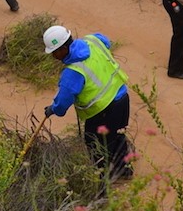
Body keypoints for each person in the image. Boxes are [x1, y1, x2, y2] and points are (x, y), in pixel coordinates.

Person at [43, 25, 133, 181]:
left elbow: (63, 103)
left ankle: (101, 182)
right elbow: (106, 42)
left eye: (53, 53)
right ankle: (124, 169)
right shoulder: (93, 40)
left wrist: (53, 109)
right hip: (122, 97)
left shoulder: (72, 72)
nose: (53, 57)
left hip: (103, 111)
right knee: (116, 135)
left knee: (95, 145)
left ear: (62, 49)